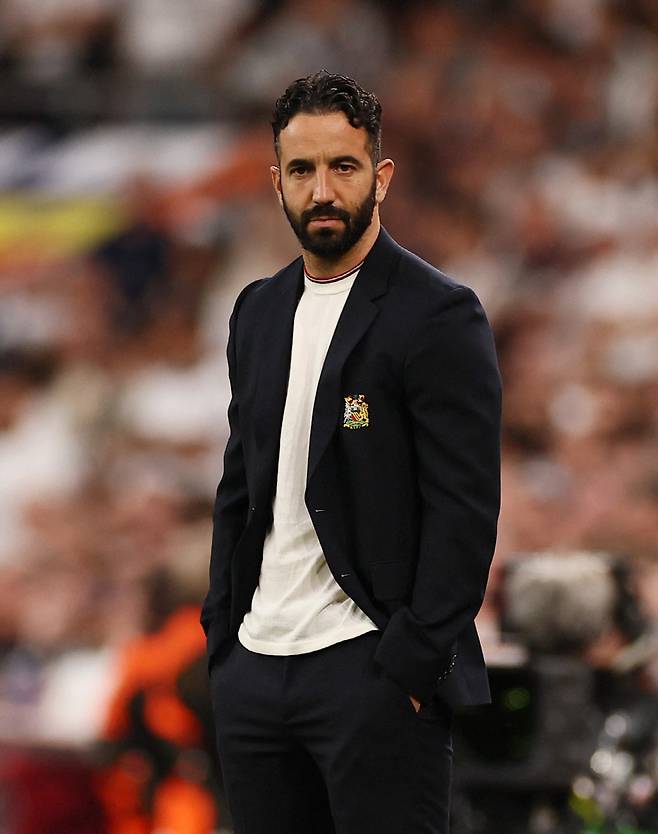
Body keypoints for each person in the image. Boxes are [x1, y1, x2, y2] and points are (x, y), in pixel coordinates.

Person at [200, 70, 502, 834]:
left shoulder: (438, 314)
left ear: (381, 175)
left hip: (369, 667)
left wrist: (409, 663)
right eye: (302, 170)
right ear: (276, 182)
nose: (323, 190)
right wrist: (224, 641)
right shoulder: (257, 311)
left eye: (343, 166)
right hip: (256, 669)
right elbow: (240, 488)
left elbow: (464, 510)